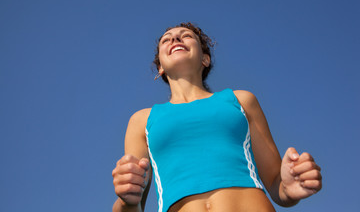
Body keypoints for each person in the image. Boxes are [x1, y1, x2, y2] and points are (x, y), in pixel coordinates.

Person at [112, 22, 322, 212]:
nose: (175, 39)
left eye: (185, 36)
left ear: (205, 58)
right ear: (160, 68)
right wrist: (125, 202)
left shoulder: (241, 101)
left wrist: (289, 187)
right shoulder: (142, 121)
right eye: (167, 39)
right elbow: (133, 203)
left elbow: (278, 186)